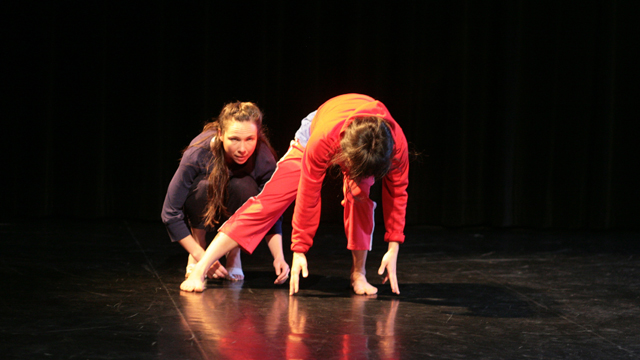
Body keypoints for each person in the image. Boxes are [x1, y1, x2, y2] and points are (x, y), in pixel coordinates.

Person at [180, 94, 409, 295]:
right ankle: (200, 269)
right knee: (271, 200)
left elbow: (397, 194)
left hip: (362, 141)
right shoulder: (323, 140)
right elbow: (309, 195)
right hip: (319, 129)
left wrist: (394, 245)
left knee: (360, 195)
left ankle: (358, 275)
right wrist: (299, 249)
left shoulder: (394, 146)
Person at [161, 101, 290, 284]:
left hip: (237, 207)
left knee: (245, 187)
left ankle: (233, 252)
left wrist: (278, 256)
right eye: (234, 139)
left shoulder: (264, 158)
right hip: (203, 202)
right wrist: (203, 258)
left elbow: (271, 211)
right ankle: (199, 246)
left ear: (258, 136)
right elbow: (170, 212)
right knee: (205, 186)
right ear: (221, 134)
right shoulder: (199, 151)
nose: (243, 149)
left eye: (250, 139)